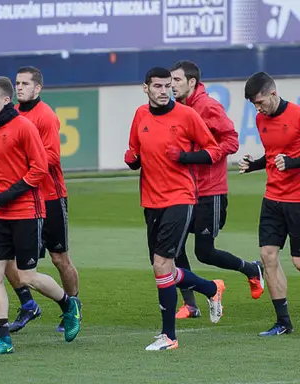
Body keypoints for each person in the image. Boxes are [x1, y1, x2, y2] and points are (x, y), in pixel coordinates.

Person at [0, 76, 81, 356]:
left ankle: (68, 304)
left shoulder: (25, 127)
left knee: (27, 276)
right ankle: (3, 339)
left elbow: (40, 168)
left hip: (27, 212)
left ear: (6, 100)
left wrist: (9, 194)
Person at [124, 67, 226, 351]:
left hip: (180, 198)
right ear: (146, 88)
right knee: (163, 268)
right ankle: (210, 288)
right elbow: (135, 153)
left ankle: (169, 336)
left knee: (161, 265)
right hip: (151, 200)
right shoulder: (140, 116)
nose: (163, 91)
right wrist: (131, 159)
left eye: (167, 85)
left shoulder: (186, 115)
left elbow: (215, 150)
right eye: (157, 86)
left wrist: (184, 156)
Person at [170, 60, 264, 320]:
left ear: (191, 82)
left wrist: (203, 155)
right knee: (173, 247)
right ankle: (190, 304)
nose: (172, 85)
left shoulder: (208, 106)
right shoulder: (176, 108)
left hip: (210, 191)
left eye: (176, 80)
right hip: (184, 191)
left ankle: (251, 269)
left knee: (204, 252)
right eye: (170, 81)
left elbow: (231, 141)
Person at [2, 65, 81, 334]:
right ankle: (27, 304)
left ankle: (74, 307)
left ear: (38, 88)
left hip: (49, 196)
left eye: (25, 83)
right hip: (23, 199)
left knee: (60, 258)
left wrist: (18, 163)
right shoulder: (9, 115)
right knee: (7, 258)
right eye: (17, 83)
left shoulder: (45, 116)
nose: (20, 87)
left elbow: (51, 159)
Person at [239, 71, 300, 336]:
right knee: (268, 255)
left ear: (273, 94)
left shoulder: (297, 116)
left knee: (298, 261)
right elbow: (273, 156)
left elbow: (287, 158)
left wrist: (293, 162)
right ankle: (283, 323)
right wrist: (253, 165)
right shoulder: (260, 119)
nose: (257, 107)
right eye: (254, 104)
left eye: (260, 102)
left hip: (297, 200)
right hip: (272, 199)